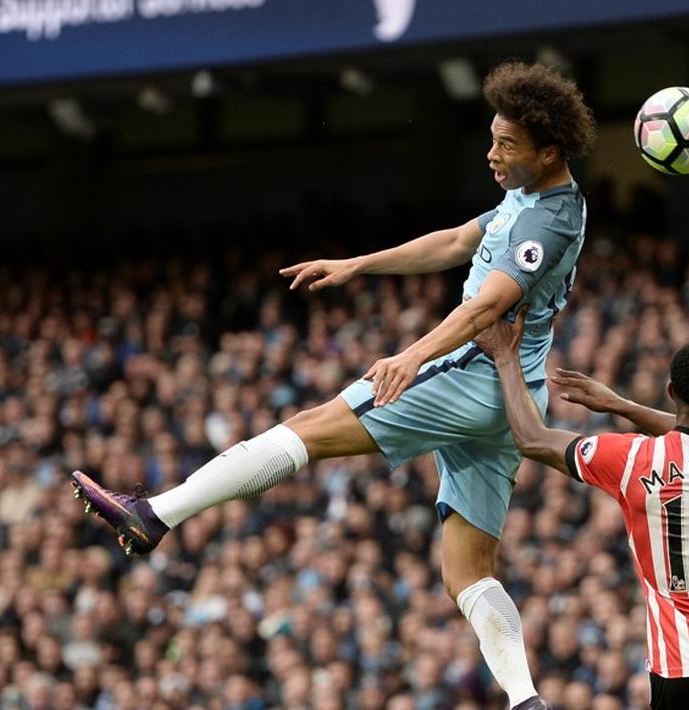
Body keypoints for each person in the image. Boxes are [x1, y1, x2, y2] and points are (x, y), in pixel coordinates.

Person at [71, 60, 596, 710]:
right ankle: (525, 699)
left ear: (548, 152)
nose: (491, 153)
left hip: (474, 375)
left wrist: (411, 356)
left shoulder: (550, 221)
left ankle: (156, 514)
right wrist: (358, 264)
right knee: (466, 572)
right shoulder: (532, 195)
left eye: (506, 144)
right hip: (510, 394)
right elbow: (459, 240)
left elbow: (487, 305)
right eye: (491, 138)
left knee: (309, 430)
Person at [474, 310, 689, 709]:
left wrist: (505, 356)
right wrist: (623, 405)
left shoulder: (633, 460)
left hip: (683, 673)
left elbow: (531, 438)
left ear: (671, 391)